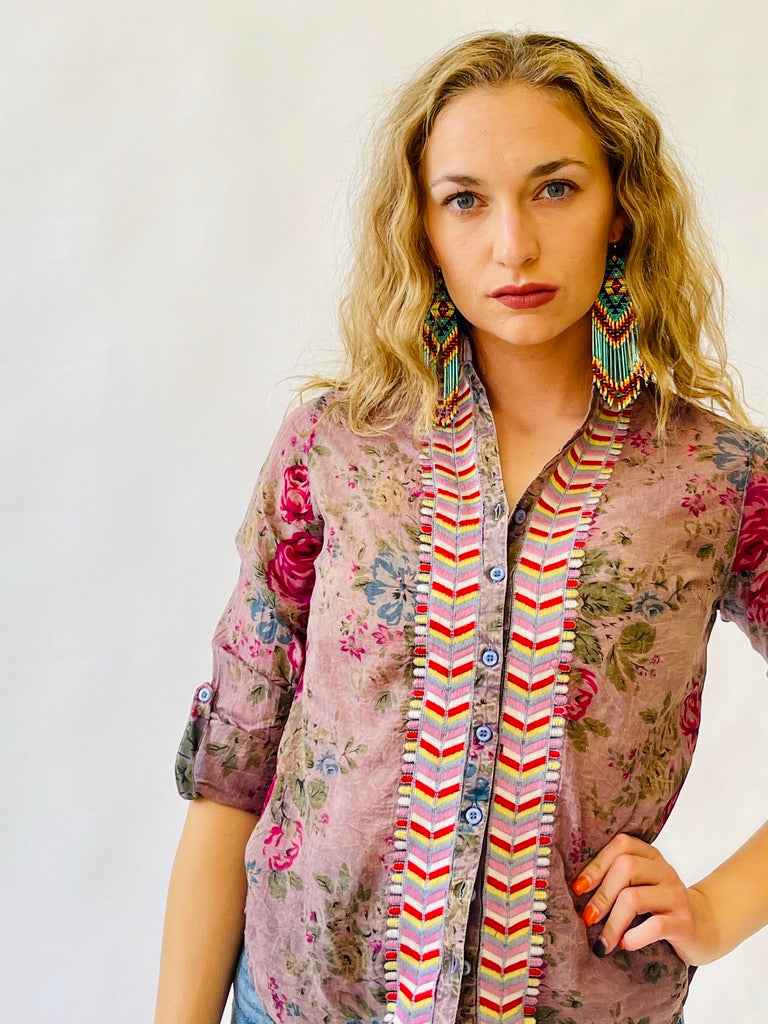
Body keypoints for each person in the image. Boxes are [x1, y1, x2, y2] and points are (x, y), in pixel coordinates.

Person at [154, 30, 768, 1024]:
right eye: (466, 199)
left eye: (556, 188)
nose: (512, 245)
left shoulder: (717, 479)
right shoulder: (333, 446)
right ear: (423, 227)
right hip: (303, 998)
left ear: (621, 207)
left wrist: (722, 908)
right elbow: (234, 771)